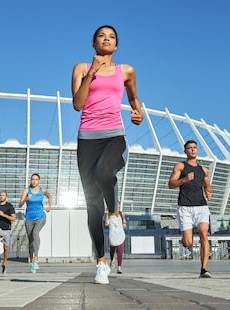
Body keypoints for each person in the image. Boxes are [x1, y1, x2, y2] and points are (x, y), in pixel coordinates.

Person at [71, 25, 143, 284]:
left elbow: (135, 99)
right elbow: (78, 103)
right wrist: (92, 72)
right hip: (87, 138)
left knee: (105, 172)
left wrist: (138, 114)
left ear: (116, 45)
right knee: (91, 205)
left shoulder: (126, 70)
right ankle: (101, 263)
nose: (106, 39)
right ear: (94, 43)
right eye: (102, 36)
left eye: (111, 37)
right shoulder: (81, 68)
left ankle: (114, 214)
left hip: (114, 135)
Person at [168, 139, 213, 278]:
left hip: (201, 206)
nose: (193, 150)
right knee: (188, 242)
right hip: (185, 207)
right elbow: (170, 184)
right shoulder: (180, 166)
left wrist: (208, 192)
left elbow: (207, 184)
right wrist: (184, 180)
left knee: (204, 233)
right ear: (185, 151)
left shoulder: (203, 170)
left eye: (195, 147)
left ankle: (203, 269)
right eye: (189, 148)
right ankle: (184, 240)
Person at [18, 173, 52, 274]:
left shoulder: (43, 190)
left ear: (39, 181)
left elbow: (50, 197)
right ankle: (31, 261)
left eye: (36, 179)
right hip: (29, 218)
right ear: (30, 180)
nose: (34, 181)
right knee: (31, 241)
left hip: (41, 216)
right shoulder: (26, 190)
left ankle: (36, 258)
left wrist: (49, 206)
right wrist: (26, 199)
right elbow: (20, 205)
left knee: (35, 233)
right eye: (33, 179)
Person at [0, 191, 16, 275]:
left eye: (3, 195)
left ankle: (4, 263)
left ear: (6, 197)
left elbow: (13, 218)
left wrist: (3, 215)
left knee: (6, 248)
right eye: (0, 195)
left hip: (7, 228)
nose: (1, 197)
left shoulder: (9, 206)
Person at [105, 208, 127, 274]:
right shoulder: (109, 213)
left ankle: (119, 267)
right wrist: (107, 215)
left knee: (119, 250)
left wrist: (124, 223)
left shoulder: (121, 213)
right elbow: (106, 223)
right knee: (112, 249)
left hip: (119, 233)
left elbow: (124, 223)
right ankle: (112, 260)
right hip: (112, 233)